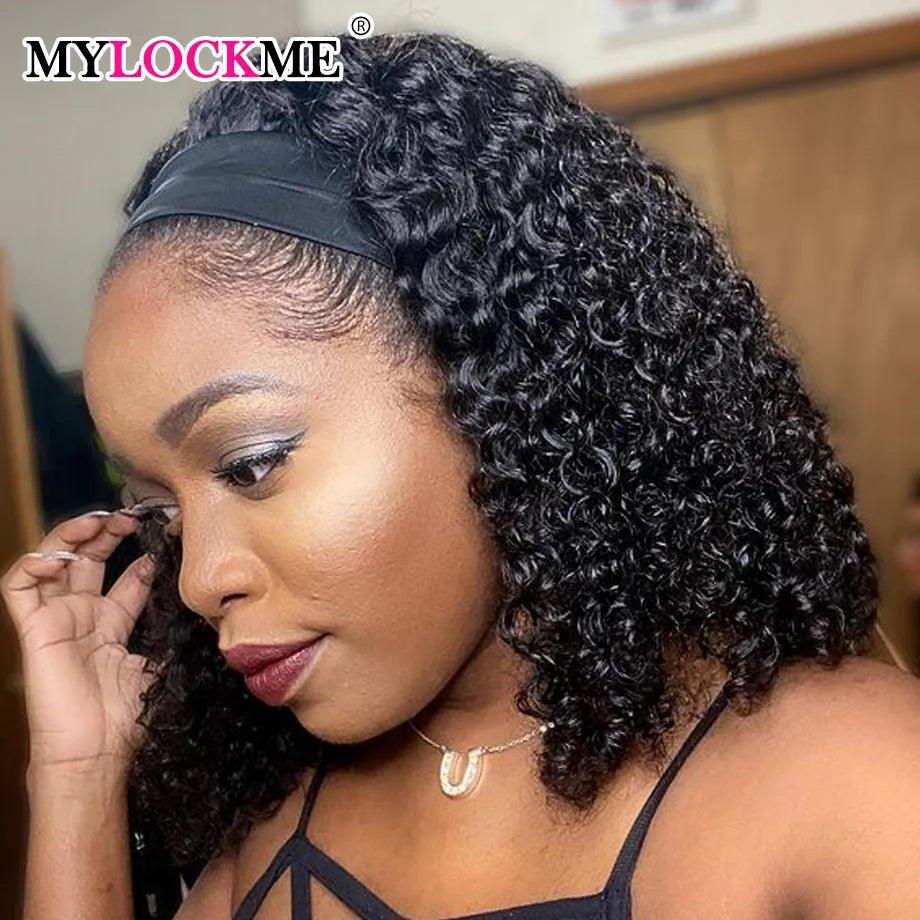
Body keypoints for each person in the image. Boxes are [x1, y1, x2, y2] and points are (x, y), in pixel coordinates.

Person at [4, 31, 920, 920]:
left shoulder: (855, 782)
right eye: (160, 513)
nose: (200, 582)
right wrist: (78, 778)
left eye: (251, 464)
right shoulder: (270, 833)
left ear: (502, 383)